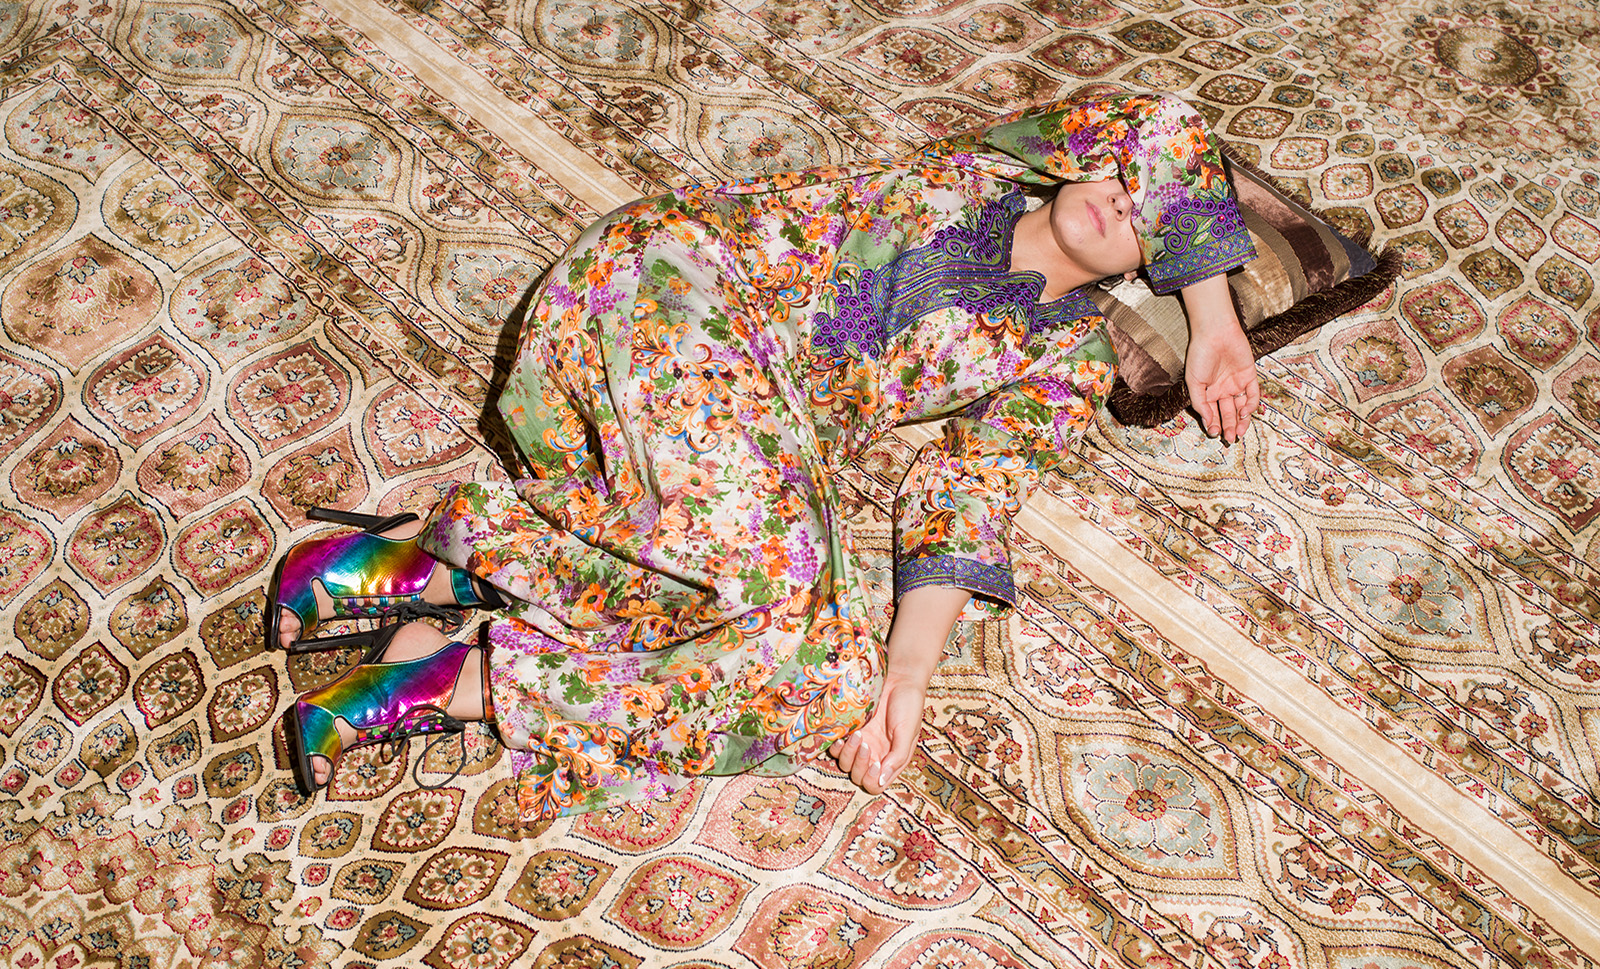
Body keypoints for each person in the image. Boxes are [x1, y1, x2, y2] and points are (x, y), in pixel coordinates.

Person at [270, 92, 1261, 820]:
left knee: (821, 677)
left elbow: (966, 494)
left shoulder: (1067, 358)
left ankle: (423, 622)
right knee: (785, 570)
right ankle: (449, 603)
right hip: (659, 291)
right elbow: (1167, 121)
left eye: (1145, 221)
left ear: (1146, 270)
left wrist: (904, 675)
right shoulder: (990, 172)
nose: (1122, 204)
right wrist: (1215, 322)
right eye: (1124, 183)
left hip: (672, 459)